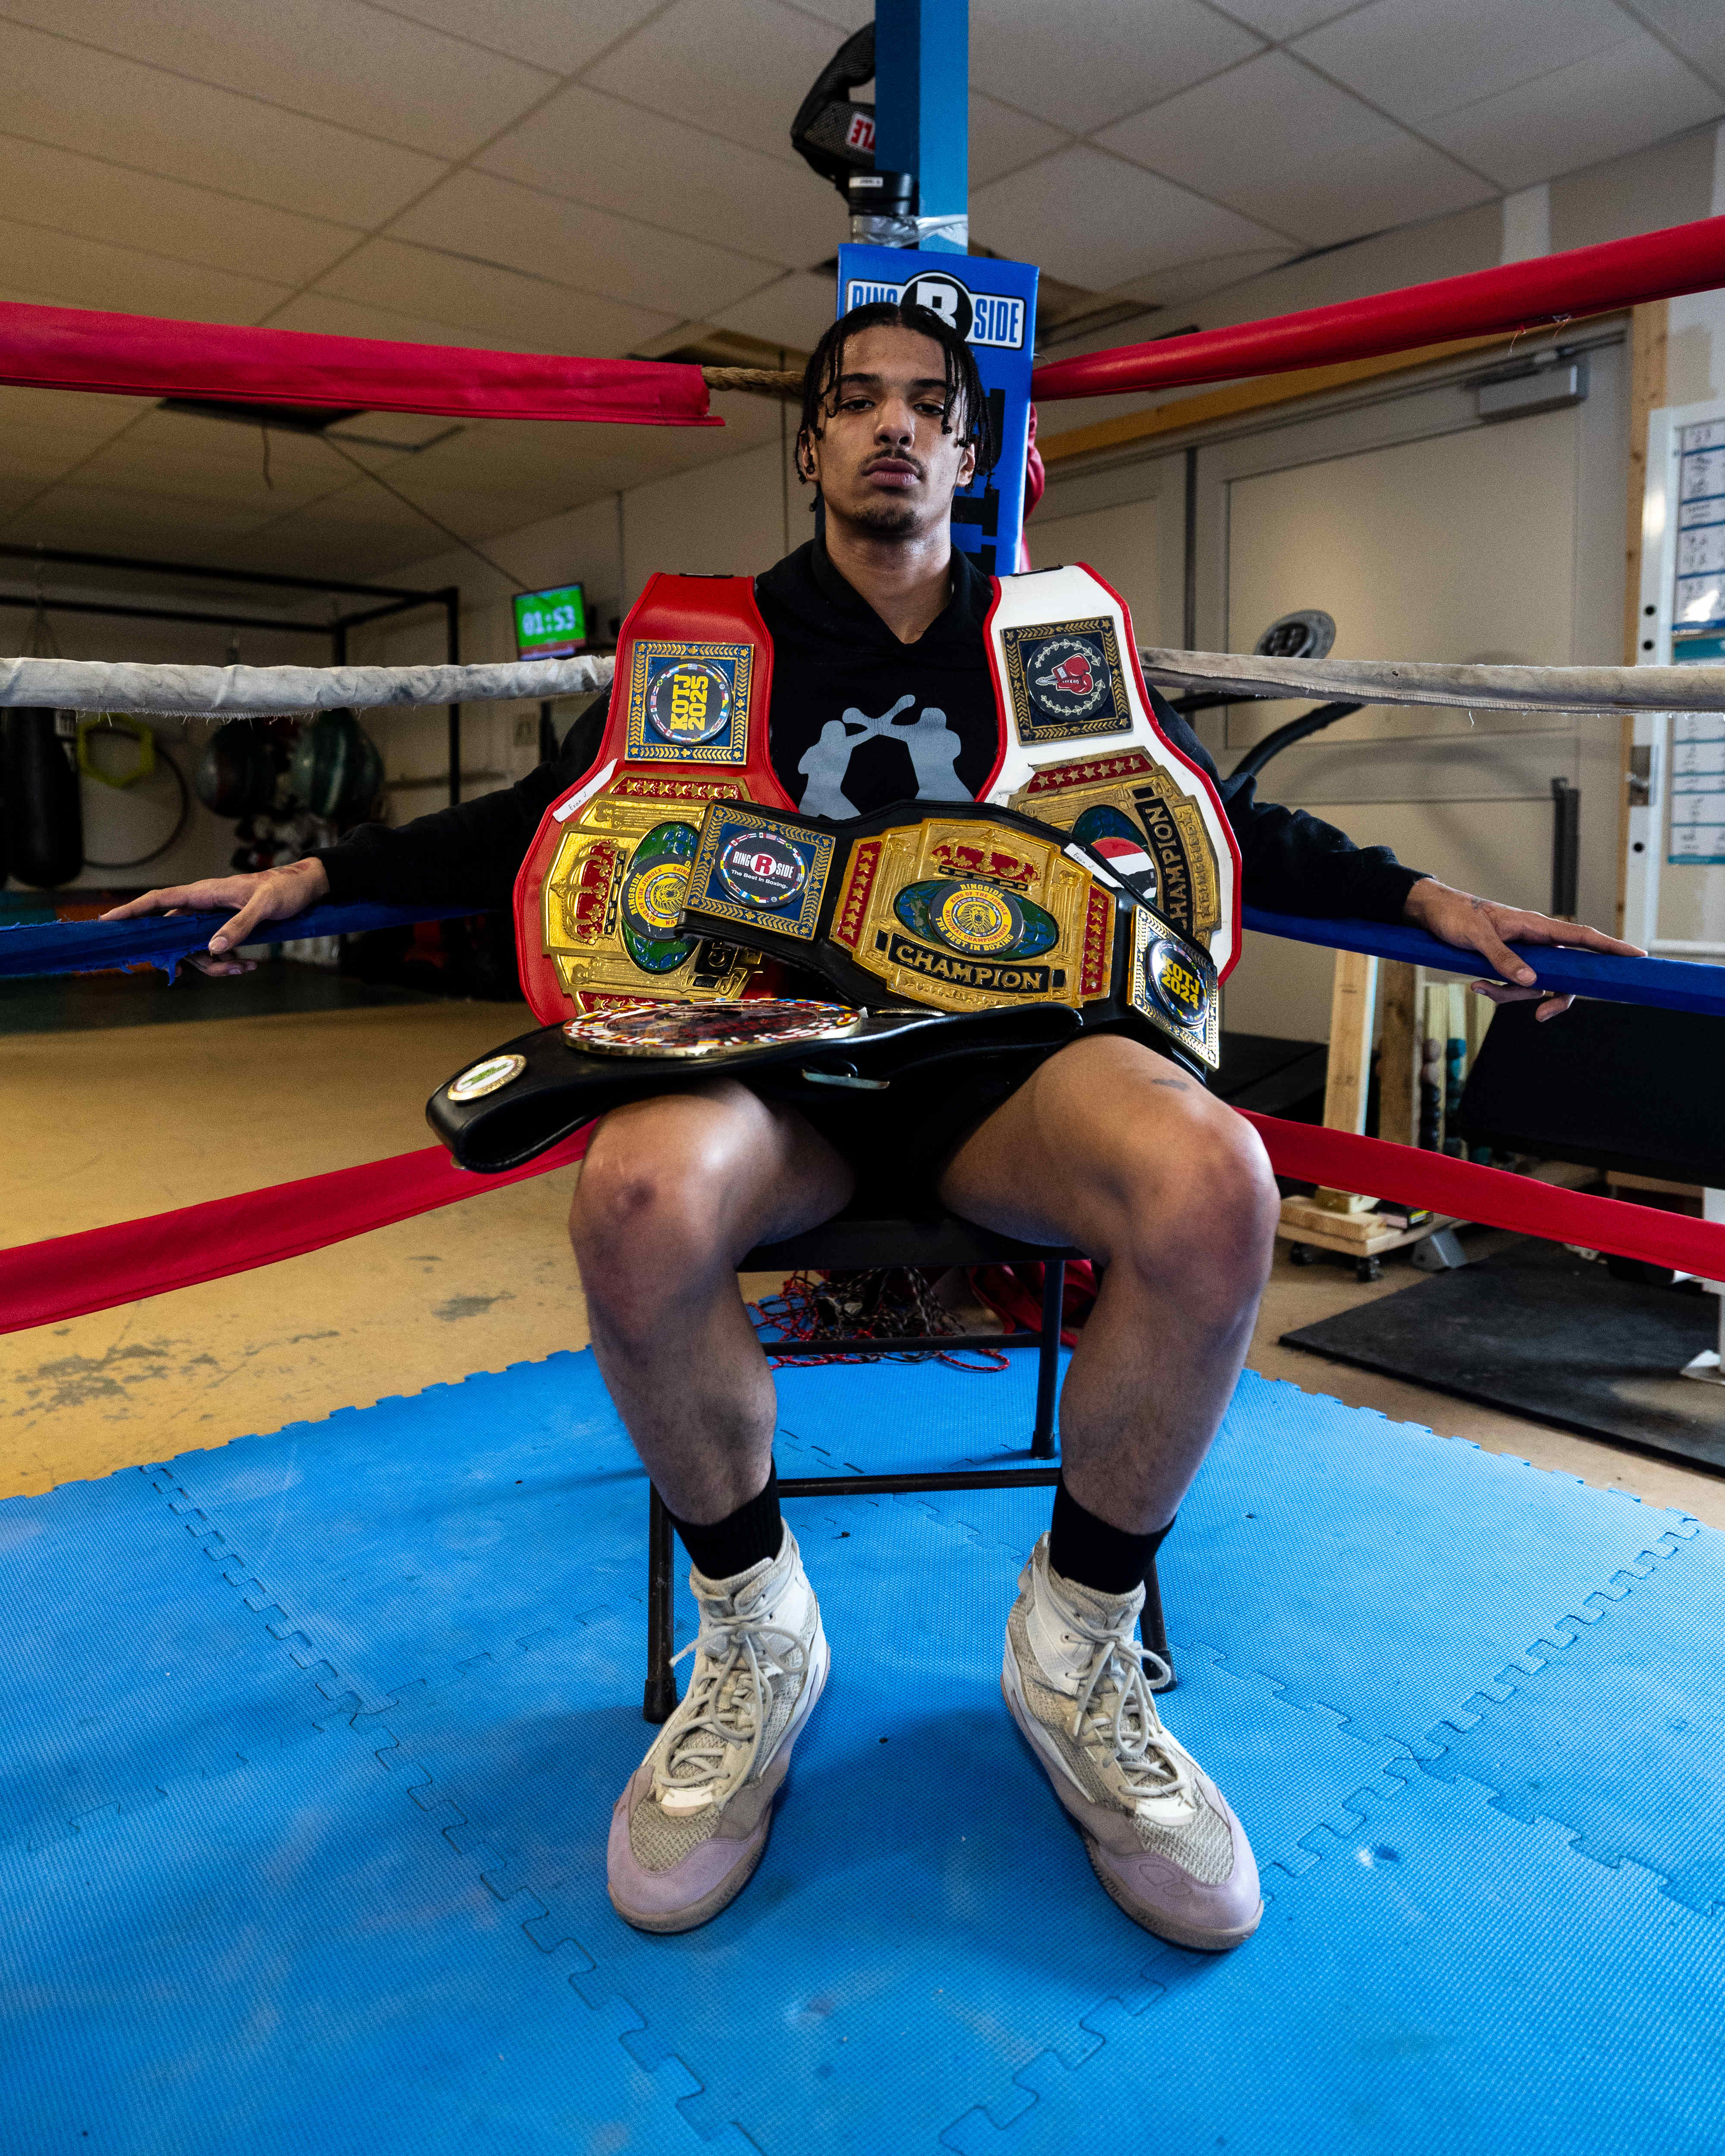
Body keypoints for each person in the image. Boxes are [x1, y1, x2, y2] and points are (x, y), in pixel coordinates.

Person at [107, 302, 1641, 1952]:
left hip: (1009, 1076)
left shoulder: (1048, 645)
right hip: (772, 1070)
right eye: (859, 405)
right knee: (631, 1199)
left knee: (1219, 1180)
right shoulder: (708, 643)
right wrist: (314, 877)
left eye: (930, 407)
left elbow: (1223, 820)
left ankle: (1075, 1647)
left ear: (974, 454)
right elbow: (529, 825)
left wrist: (1426, 896)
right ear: (813, 444)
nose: (895, 430)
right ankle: (757, 1626)